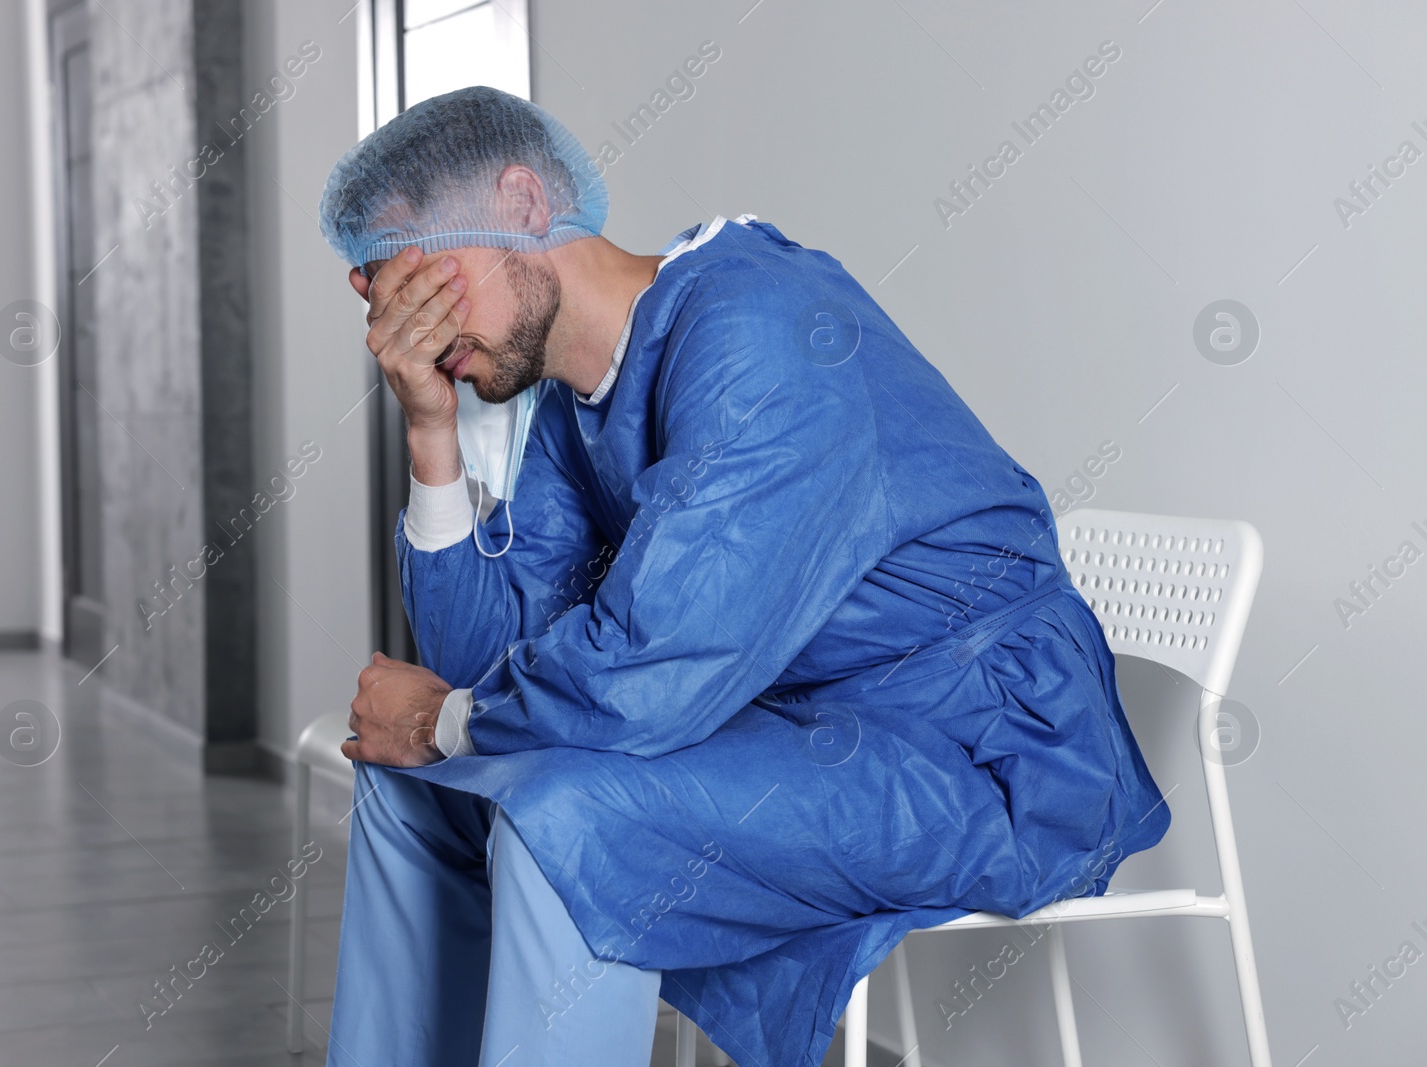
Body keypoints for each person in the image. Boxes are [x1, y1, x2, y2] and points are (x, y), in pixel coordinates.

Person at [316, 85, 1170, 1067]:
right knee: (419, 791)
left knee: (563, 814)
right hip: (786, 730)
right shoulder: (576, 402)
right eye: (390, 300)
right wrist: (430, 429)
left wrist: (439, 718)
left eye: (425, 282)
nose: (412, 326)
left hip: (981, 752)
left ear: (520, 202)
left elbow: (648, 672)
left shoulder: (765, 331)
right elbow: (491, 660)